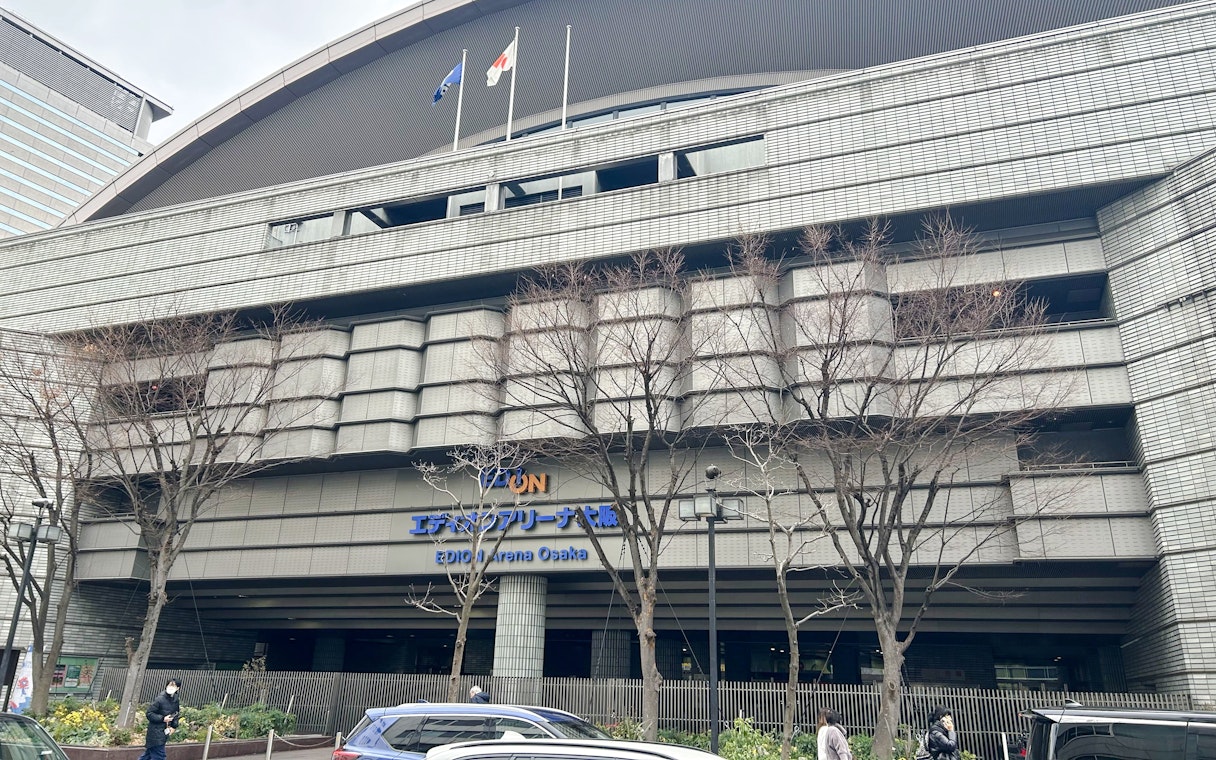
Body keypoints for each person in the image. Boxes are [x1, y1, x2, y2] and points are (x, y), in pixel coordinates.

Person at [138, 678, 182, 760]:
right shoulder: (160, 699)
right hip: (155, 731)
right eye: (170, 685)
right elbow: (149, 714)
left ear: (178, 688)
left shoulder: (175, 700)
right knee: (159, 756)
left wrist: (174, 726)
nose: (171, 687)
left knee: (147, 756)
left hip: (164, 731)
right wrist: (162, 718)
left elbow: (176, 713)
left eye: (174, 685)